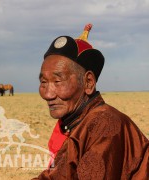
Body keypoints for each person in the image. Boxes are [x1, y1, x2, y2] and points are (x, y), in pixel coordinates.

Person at [33, 24, 149, 179]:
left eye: (58, 81)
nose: (47, 94)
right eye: (43, 82)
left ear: (88, 82)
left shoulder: (104, 124)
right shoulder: (77, 122)